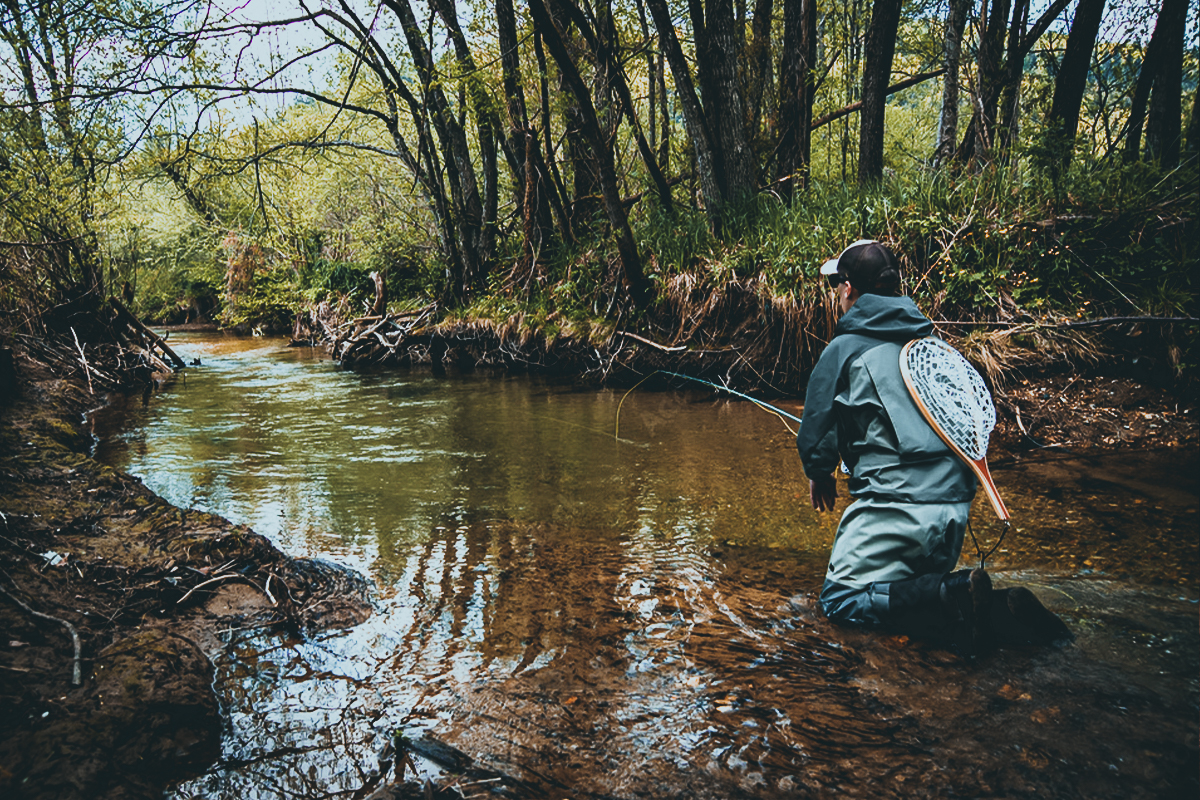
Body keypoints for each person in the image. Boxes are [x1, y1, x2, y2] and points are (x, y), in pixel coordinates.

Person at [796, 240, 1068, 655]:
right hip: (957, 508)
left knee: (840, 602)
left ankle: (954, 592)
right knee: (908, 595)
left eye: (837, 285)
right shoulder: (933, 348)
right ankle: (994, 612)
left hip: (898, 507)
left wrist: (819, 473)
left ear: (848, 289)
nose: (836, 294)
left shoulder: (843, 350)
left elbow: (817, 427)